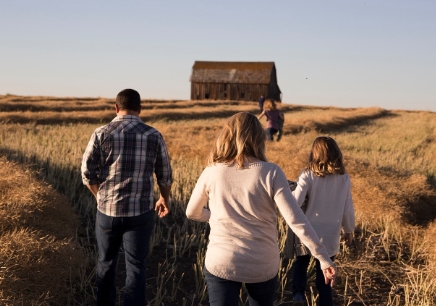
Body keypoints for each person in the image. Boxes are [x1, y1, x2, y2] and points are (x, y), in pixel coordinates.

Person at [186, 112, 336, 306]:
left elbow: (192, 212)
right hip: (262, 263)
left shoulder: (212, 171)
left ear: (227, 136)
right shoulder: (271, 172)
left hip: (222, 260)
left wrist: (216, 216)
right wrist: (323, 257)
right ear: (259, 137)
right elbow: (295, 219)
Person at [81, 88, 173, 306]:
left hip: (107, 212)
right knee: (136, 266)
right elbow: (165, 175)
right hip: (140, 213)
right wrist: (163, 198)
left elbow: (87, 173)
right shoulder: (153, 135)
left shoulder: (101, 133)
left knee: (105, 263)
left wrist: (99, 196)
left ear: (116, 107)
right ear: (140, 109)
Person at [291, 136, 355, 306]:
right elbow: (347, 207)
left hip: (308, 231)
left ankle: (298, 294)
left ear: (314, 153)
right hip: (331, 233)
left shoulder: (307, 175)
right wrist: (349, 230)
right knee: (325, 274)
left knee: (301, 261)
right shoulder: (344, 179)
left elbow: (295, 202)